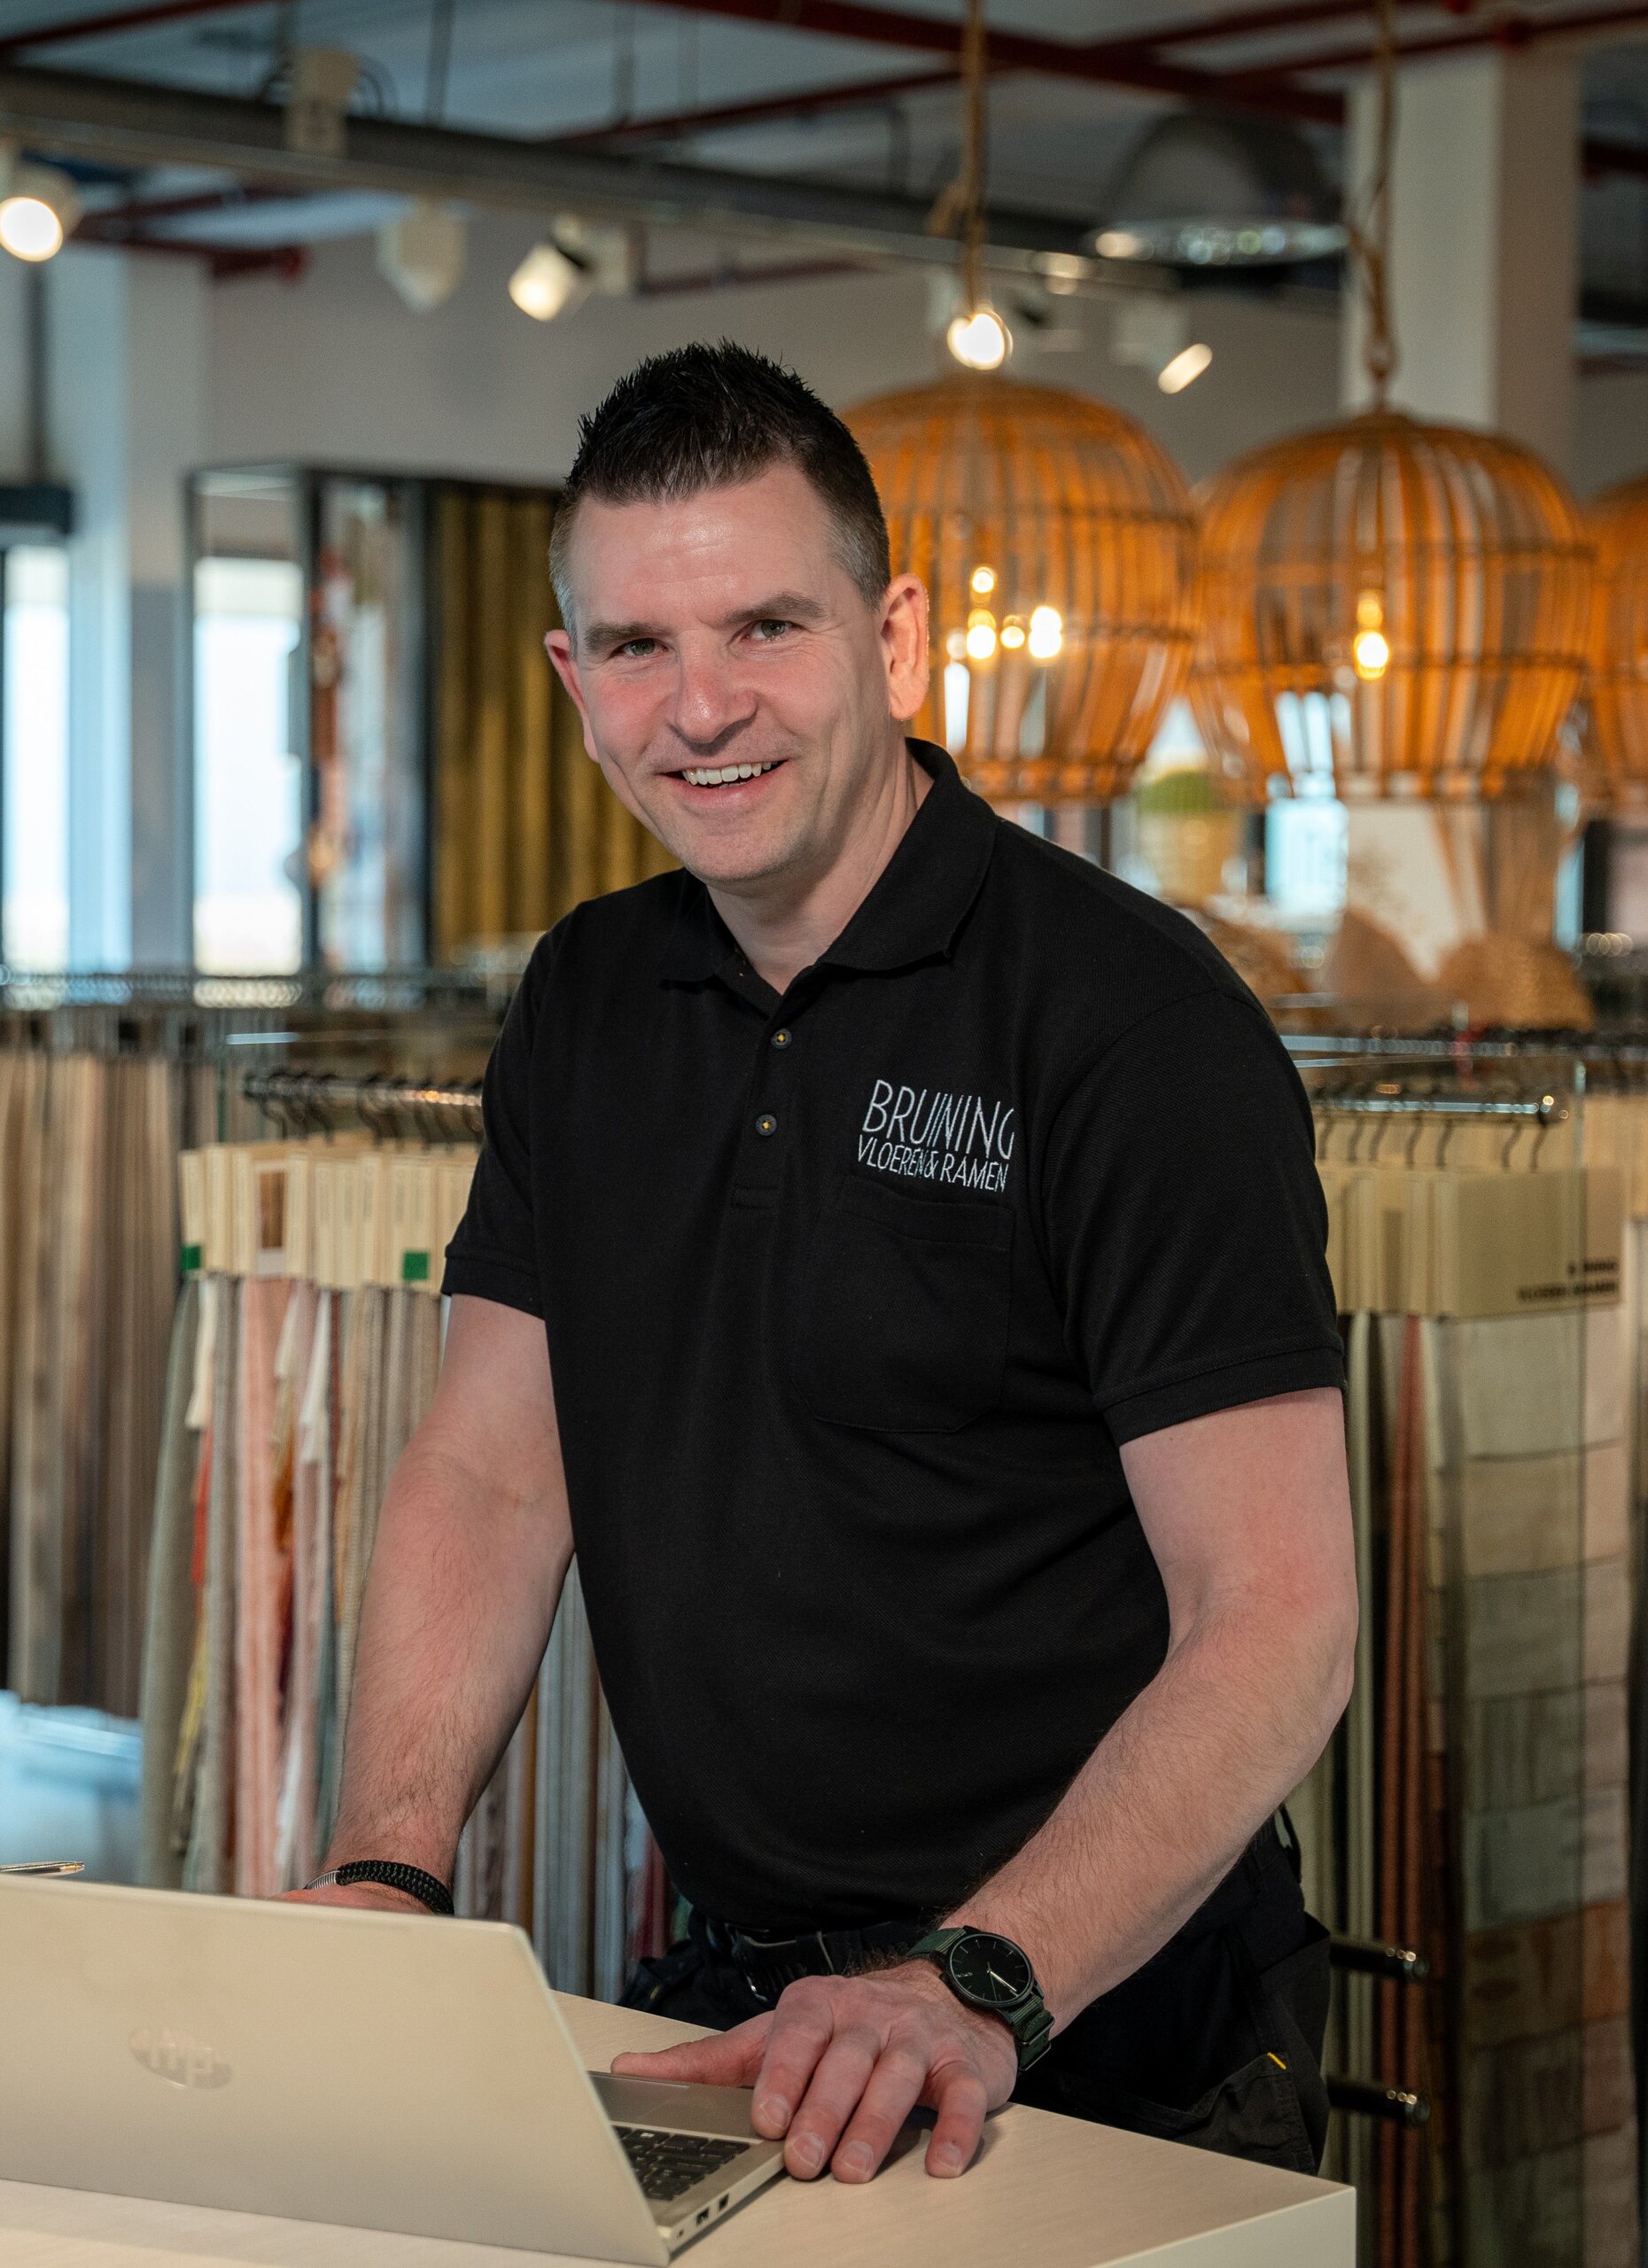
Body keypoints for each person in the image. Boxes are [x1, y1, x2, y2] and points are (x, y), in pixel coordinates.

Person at [299, 341, 1356, 2193]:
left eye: (765, 628)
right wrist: (389, 1865)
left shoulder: (1129, 1025)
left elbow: (1278, 1615)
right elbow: (490, 1471)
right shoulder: (587, 997)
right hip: (750, 2009)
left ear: (897, 637)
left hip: (1097, 2024)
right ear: (573, 681)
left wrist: (978, 1979)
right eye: (637, 645)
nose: (701, 706)